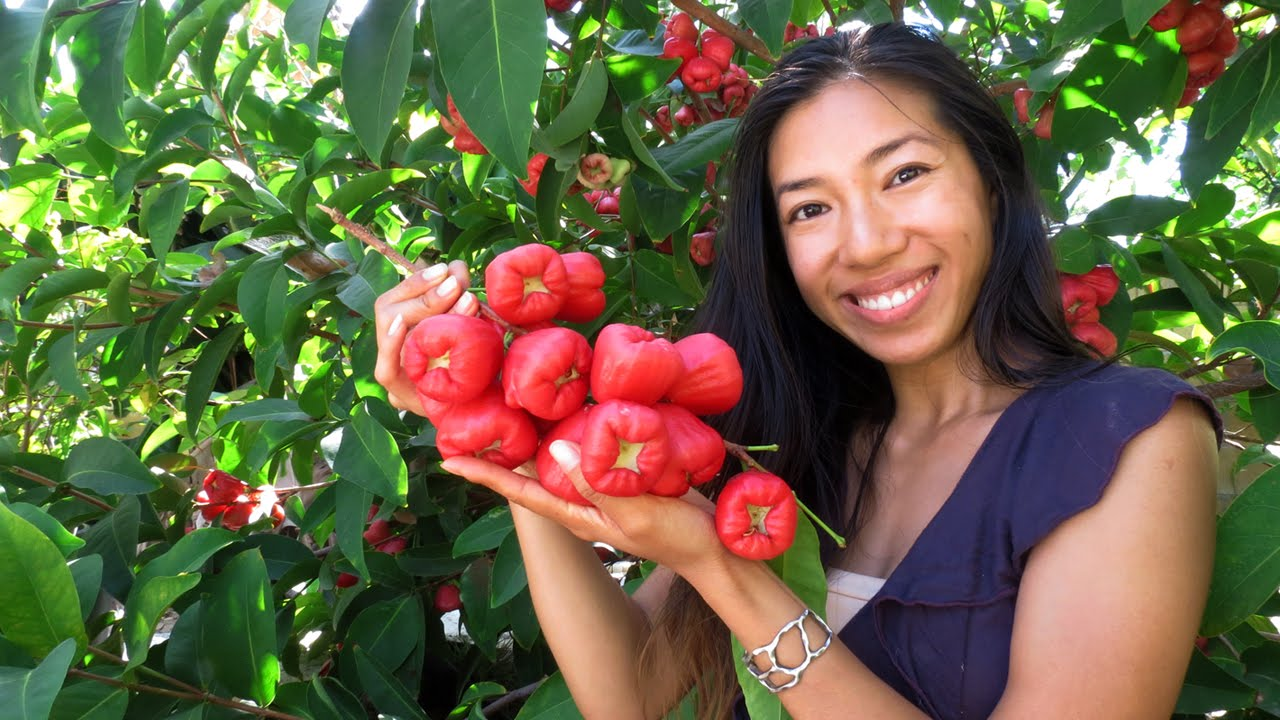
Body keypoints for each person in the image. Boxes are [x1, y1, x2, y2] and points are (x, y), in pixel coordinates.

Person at [374, 23, 1223, 720]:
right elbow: (629, 691)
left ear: (992, 186)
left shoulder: (1130, 440)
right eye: (810, 208)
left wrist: (723, 571)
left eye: (906, 174)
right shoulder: (799, 438)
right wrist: (508, 424)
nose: (868, 243)